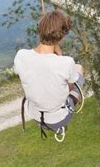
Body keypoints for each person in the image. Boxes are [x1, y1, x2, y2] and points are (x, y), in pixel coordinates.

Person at [14, 9, 84, 139]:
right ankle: (75, 100)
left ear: (40, 30)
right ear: (62, 36)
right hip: (58, 119)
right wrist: (60, 55)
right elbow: (71, 85)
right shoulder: (66, 62)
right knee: (78, 69)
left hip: (34, 113)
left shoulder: (21, 55)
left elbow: (30, 72)